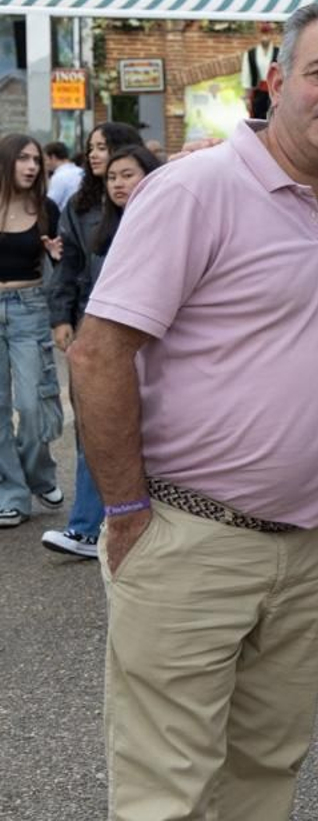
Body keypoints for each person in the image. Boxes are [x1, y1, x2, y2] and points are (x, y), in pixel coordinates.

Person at [67, 0, 318, 819]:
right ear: (276, 81)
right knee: (164, 793)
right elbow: (100, 354)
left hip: (305, 547)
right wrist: (130, 508)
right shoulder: (195, 189)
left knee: (263, 778)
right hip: (188, 539)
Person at [42, 127, 154, 558]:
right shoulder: (86, 210)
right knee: (98, 424)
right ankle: (86, 527)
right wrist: (62, 318)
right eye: (92, 150)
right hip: (98, 327)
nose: (98, 159)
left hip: (153, 335)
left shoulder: (168, 209)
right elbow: (69, 266)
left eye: (105, 149)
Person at [0, 134, 63, 529]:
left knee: (33, 405)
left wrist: (58, 255)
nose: (31, 166)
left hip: (30, 310)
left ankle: (35, 476)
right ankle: (12, 493)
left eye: (36, 160)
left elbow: (66, 260)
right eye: (23, 159)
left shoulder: (46, 209)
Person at [44, 140, 83, 208]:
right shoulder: (81, 171)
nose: (45, 163)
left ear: (53, 157)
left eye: (45, 160)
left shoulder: (59, 177)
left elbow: (50, 204)